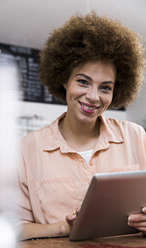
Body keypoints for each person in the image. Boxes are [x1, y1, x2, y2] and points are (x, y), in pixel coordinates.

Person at [17, 12, 146, 240]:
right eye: (83, 82)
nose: (93, 96)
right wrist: (63, 228)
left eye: (105, 87)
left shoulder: (135, 137)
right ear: (65, 80)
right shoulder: (28, 149)